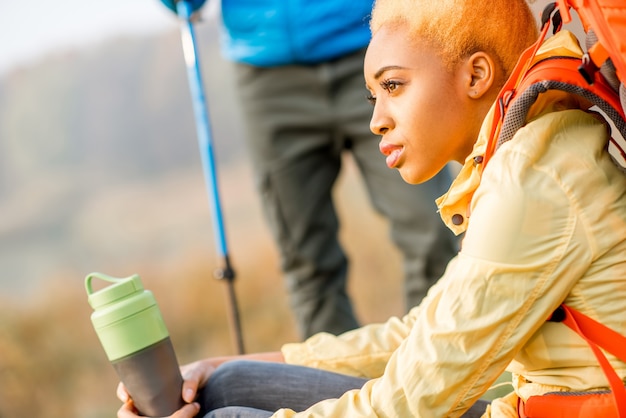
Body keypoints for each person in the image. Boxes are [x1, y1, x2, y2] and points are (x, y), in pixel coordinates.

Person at [117, 0, 626, 416]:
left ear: (475, 75)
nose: (377, 121)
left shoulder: (533, 179)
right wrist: (230, 363)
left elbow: (411, 399)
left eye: (393, 85)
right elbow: (423, 333)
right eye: (372, 96)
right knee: (224, 386)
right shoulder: (527, 155)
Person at [210, 0, 459, 338]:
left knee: (430, 226)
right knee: (307, 262)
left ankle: (434, 373)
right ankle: (341, 387)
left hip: (372, 39)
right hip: (266, 68)